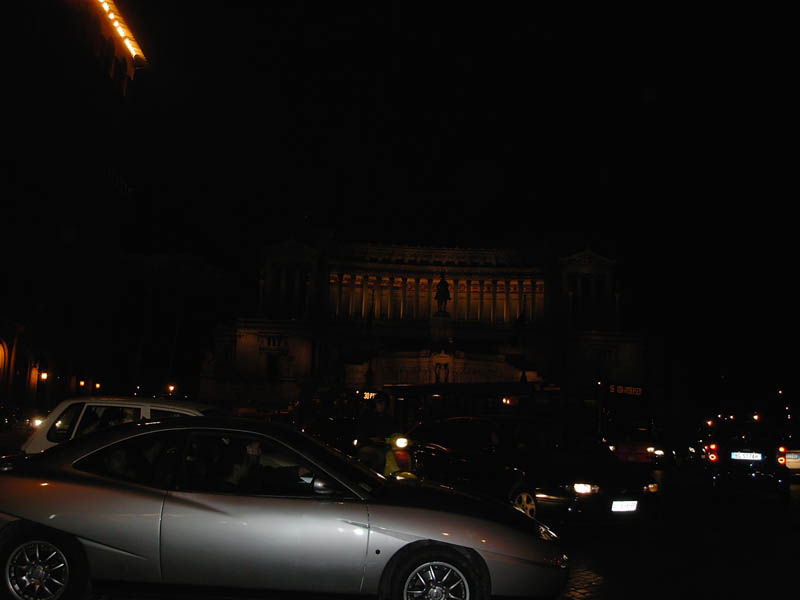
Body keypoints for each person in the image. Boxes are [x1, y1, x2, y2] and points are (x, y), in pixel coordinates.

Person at [356, 394, 397, 473]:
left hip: (383, 445)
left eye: (384, 404)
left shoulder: (388, 418)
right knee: (380, 456)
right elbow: (360, 433)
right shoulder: (366, 416)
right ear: (375, 404)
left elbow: (394, 431)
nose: (382, 406)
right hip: (366, 445)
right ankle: (376, 476)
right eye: (379, 403)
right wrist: (370, 439)